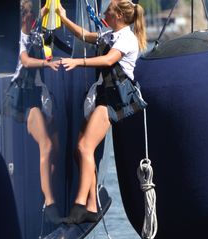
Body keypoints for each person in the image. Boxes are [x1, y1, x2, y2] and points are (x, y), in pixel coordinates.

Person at [57, 0, 147, 224]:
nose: (104, 9)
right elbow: (85, 35)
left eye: (108, 7)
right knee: (81, 152)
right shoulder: (111, 34)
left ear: (117, 15)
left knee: (84, 147)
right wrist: (63, 17)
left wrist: (77, 62)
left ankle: (79, 206)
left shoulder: (126, 38)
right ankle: (92, 206)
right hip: (103, 96)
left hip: (113, 101)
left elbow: (108, 59)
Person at [11, 0, 62, 223]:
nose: (33, 20)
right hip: (23, 96)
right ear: (23, 18)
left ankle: (45, 191)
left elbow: (43, 16)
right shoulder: (18, 37)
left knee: (55, 145)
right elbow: (25, 61)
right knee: (47, 145)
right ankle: (49, 204)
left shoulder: (32, 31)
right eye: (30, 17)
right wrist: (46, 64)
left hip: (36, 93)